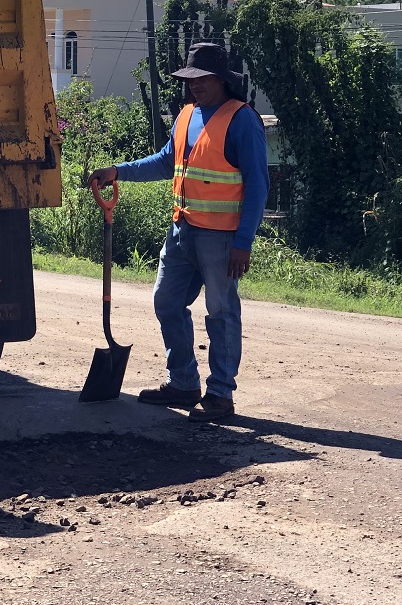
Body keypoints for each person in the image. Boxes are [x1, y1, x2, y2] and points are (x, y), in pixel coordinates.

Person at [91, 42, 269, 423]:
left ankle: (220, 394)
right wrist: (118, 171)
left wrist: (244, 242)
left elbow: (258, 186)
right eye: (190, 79)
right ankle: (184, 382)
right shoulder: (187, 115)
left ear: (221, 79)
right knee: (166, 301)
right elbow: (163, 161)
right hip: (182, 231)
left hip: (221, 240)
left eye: (202, 78)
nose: (194, 85)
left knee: (220, 313)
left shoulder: (243, 120)